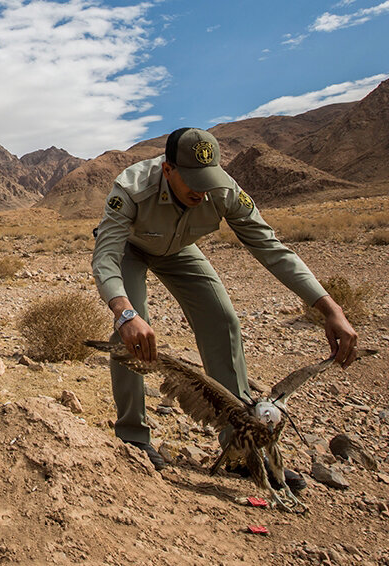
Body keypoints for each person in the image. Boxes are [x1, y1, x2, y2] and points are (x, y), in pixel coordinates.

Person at [92, 127, 357, 480]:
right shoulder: (131, 188)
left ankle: (240, 449)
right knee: (131, 332)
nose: (201, 192)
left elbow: (271, 247)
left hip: (180, 250)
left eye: (207, 180)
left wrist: (330, 309)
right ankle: (133, 438)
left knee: (224, 321)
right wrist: (125, 313)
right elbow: (106, 256)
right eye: (192, 181)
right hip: (131, 248)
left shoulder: (223, 190)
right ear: (168, 169)